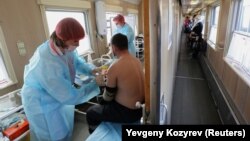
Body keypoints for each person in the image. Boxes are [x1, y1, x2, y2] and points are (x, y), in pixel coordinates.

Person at [21, 18, 100, 141]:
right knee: (53, 136)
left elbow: (76, 61)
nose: (78, 44)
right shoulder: (47, 61)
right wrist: (95, 84)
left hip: (55, 98)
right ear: (63, 39)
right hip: (41, 104)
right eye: (75, 41)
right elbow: (70, 96)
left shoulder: (64, 47)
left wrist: (91, 70)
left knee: (64, 130)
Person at [86, 33, 145, 133]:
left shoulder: (115, 66)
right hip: (140, 109)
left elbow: (108, 97)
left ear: (113, 47)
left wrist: (101, 101)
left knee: (91, 112)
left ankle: (96, 134)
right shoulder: (137, 61)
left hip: (128, 113)